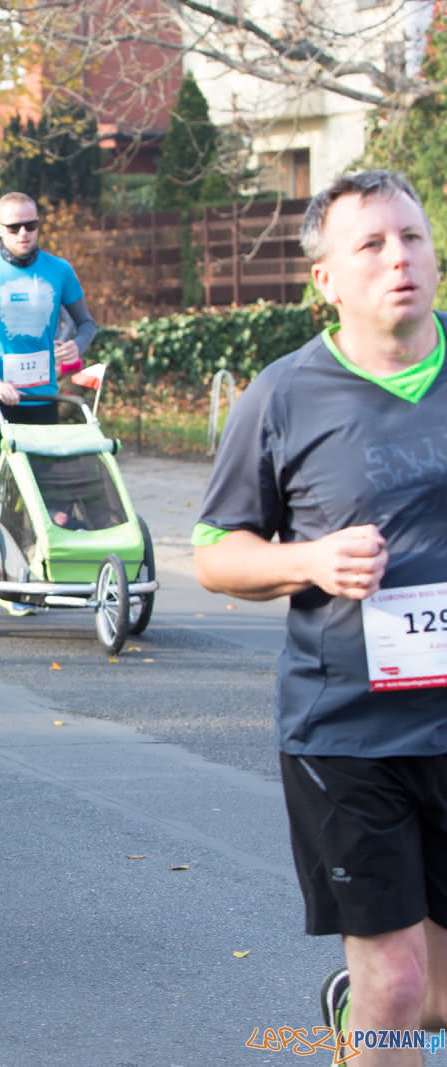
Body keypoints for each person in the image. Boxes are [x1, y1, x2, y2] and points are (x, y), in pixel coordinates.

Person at [193, 170, 447, 1063]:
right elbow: (216, 553)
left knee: (437, 994)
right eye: (370, 244)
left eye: (412, 237)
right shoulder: (282, 396)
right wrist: (308, 560)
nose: (399, 259)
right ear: (327, 279)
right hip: (348, 729)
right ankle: (375, 1009)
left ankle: (362, 1016)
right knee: (400, 982)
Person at [0, 191, 96, 469]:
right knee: (12, 478)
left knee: (46, 482)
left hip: (43, 393)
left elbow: (87, 325)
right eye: (13, 227)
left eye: (31, 225)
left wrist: (77, 345)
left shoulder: (59, 269)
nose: (23, 233)